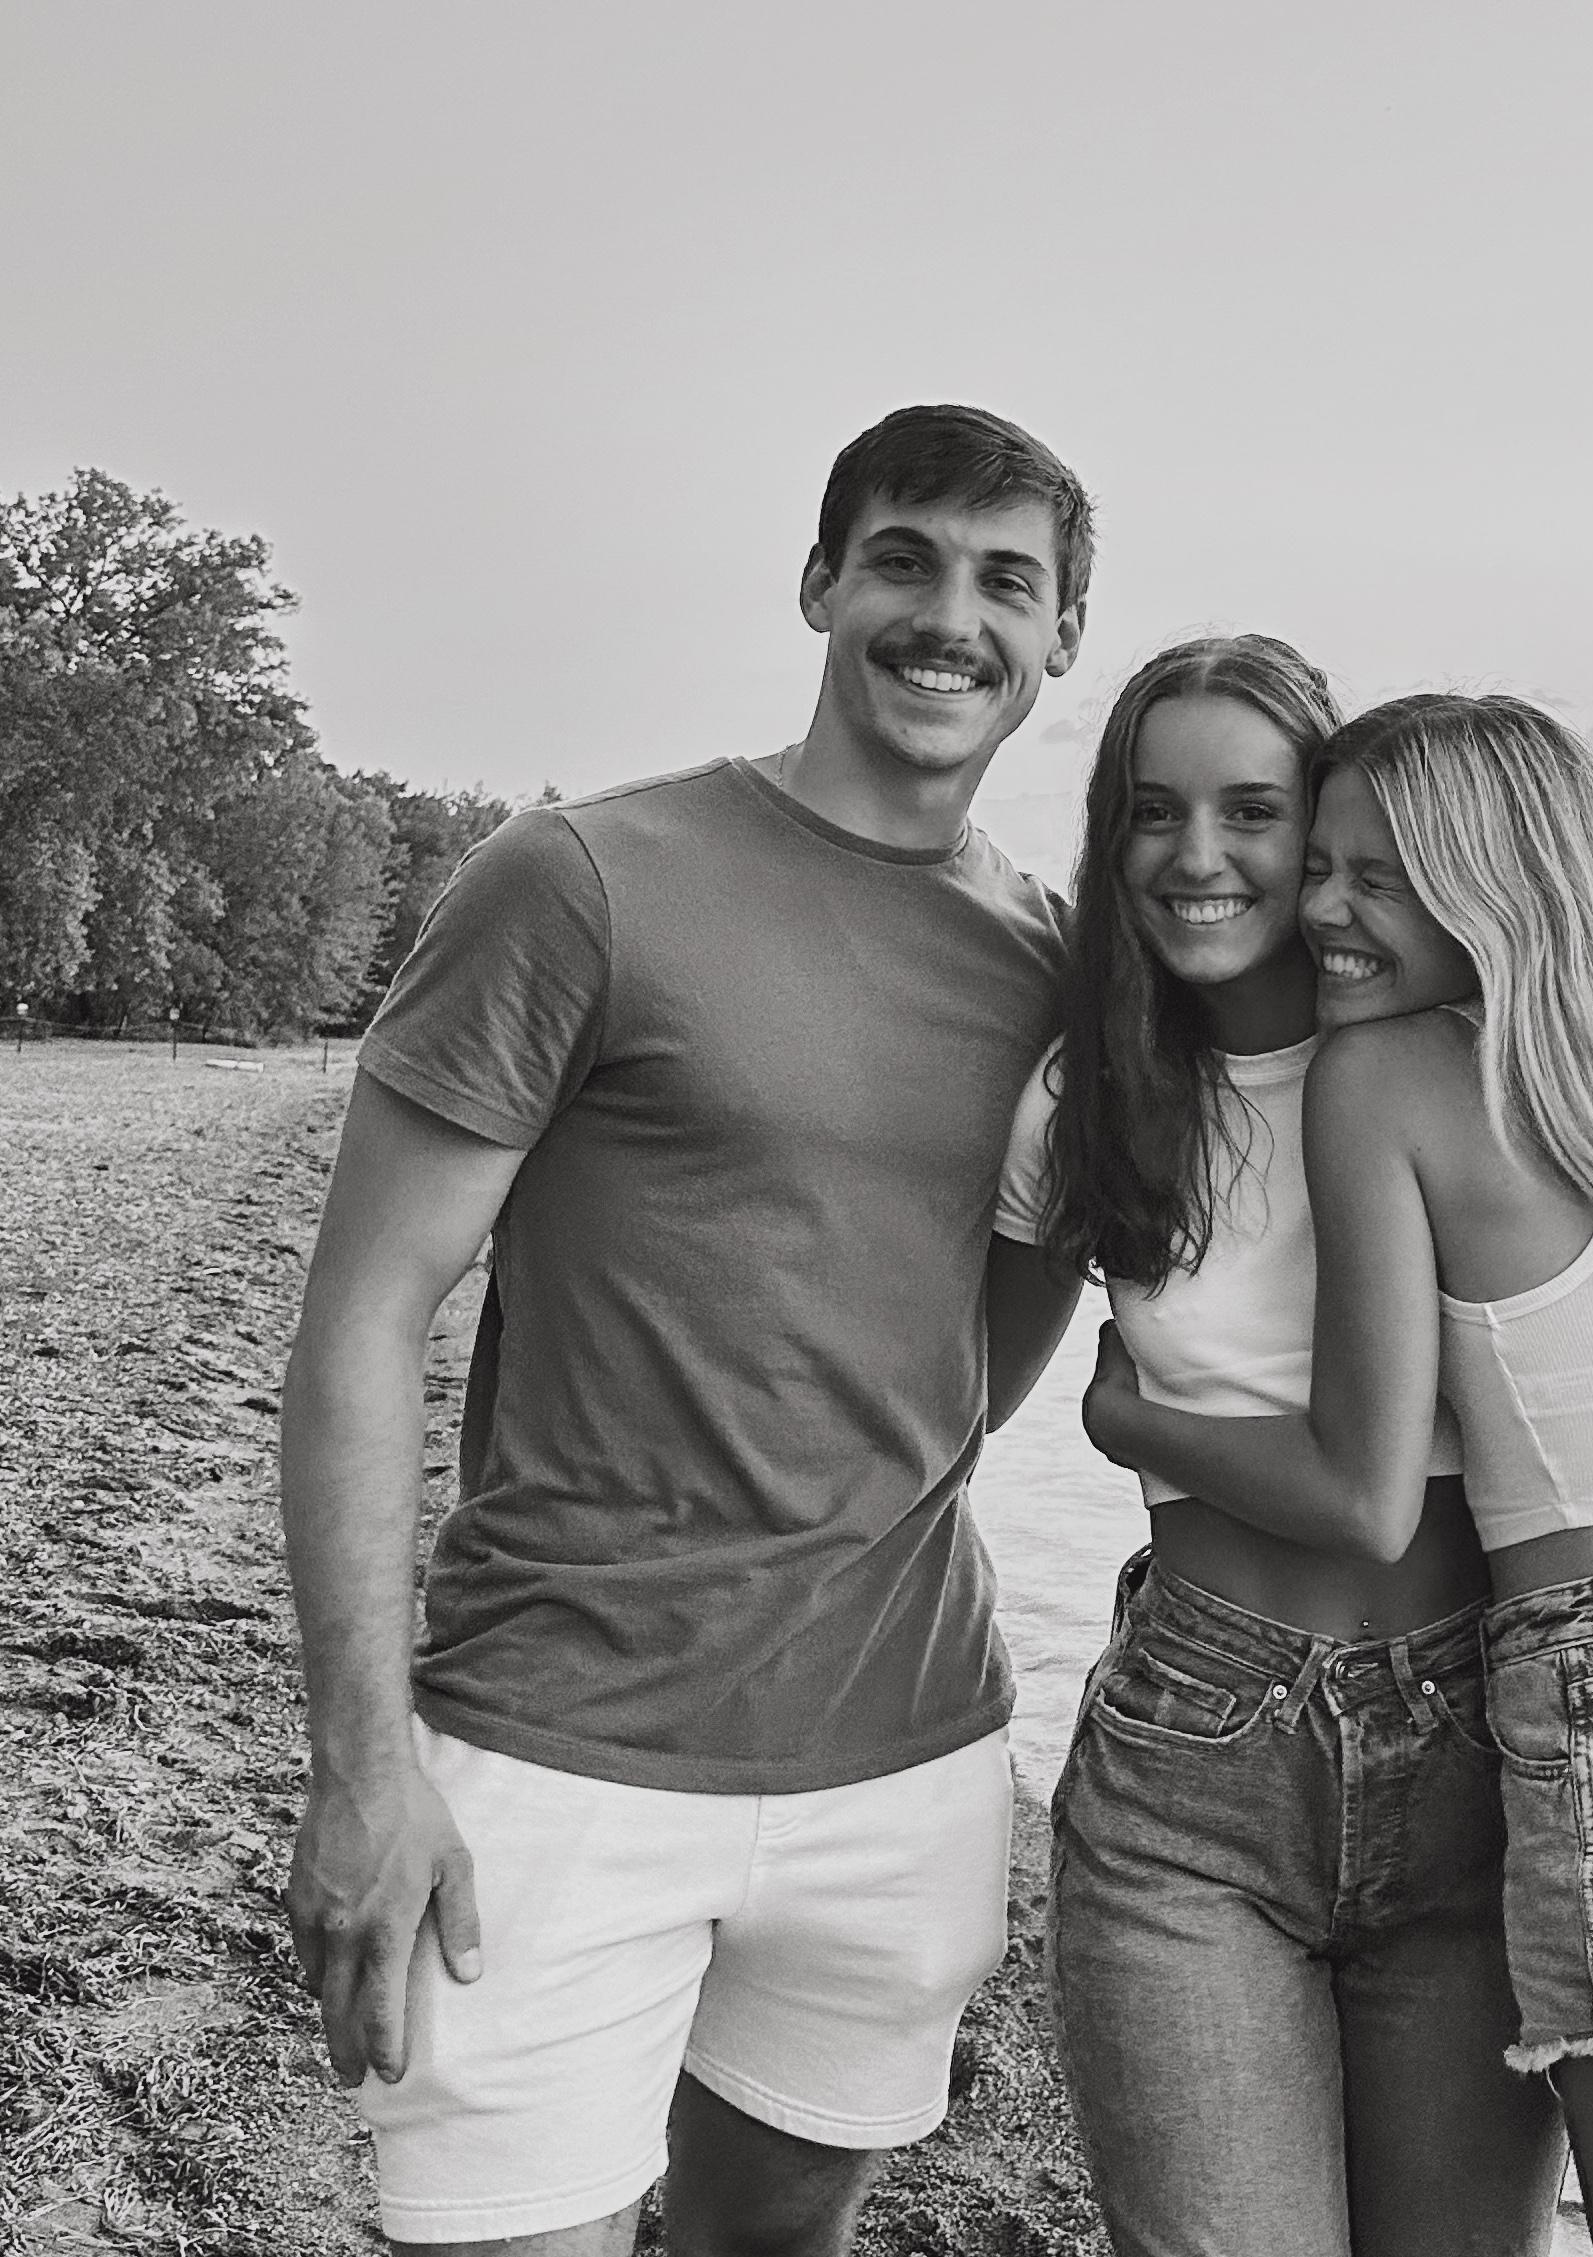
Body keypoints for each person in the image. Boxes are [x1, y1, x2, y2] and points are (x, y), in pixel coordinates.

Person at [279, 404, 1096, 2257]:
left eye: (1005, 582)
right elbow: (363, 1321)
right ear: (818, 583)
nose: (948, 617)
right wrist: (360, 1764)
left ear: (1060, 637)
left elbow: (976, 1370)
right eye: (901, 560)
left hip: (906, 1764)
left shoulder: (1062, 978)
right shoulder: (580, 876)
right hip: (551, 1754)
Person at [995, 641, 1593, 2257]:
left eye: (1258, 813)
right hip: (1202, 1754)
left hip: (1493, 1739)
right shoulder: (1091, 1097)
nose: (1202, 855)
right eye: (1150, 810)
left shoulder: (1459, 1061)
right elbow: (951, 1376)